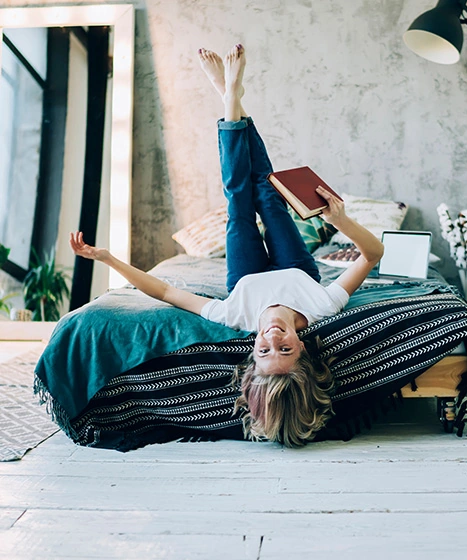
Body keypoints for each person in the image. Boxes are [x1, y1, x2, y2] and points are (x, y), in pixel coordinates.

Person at [70, 44, 384, 446]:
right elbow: (373, 255)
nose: (272, 338)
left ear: (253, 356)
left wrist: (107, 258)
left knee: (238, 196)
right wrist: (341, 222)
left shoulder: (236, 316)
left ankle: (230, 98)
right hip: (298, 268)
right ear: (302, 350)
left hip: (245, 274)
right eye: (284, 350)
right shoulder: (322, 307)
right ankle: (230, 99)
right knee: (268, 192)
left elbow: (166, 290)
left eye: (264, 351)